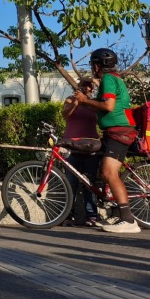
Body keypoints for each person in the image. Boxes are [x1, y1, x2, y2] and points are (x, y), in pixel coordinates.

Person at [74, 48, 141, 233]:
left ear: (96, 66)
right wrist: (87, 99)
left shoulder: (109, 79)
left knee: (109, 172)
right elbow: (101, 106)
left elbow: (108, 106)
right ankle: (116, 213)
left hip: (119, 132)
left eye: (92, 65)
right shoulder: (113, 79)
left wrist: (84, 100)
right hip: (114, 132)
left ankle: (128, 220)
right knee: (101, 169)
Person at [61, 78, 101, 227]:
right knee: (70, 182)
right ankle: (67, 216)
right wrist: (77, 102)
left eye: (89, 86)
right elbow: (65, 115)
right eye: (83, 85)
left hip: (90, 145)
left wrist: (86, 100)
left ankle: (92, 215)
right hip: (72, 145)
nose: (86, 88)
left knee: (89, 182)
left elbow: (101, 115)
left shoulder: (93, 103)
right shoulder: (70, 100)